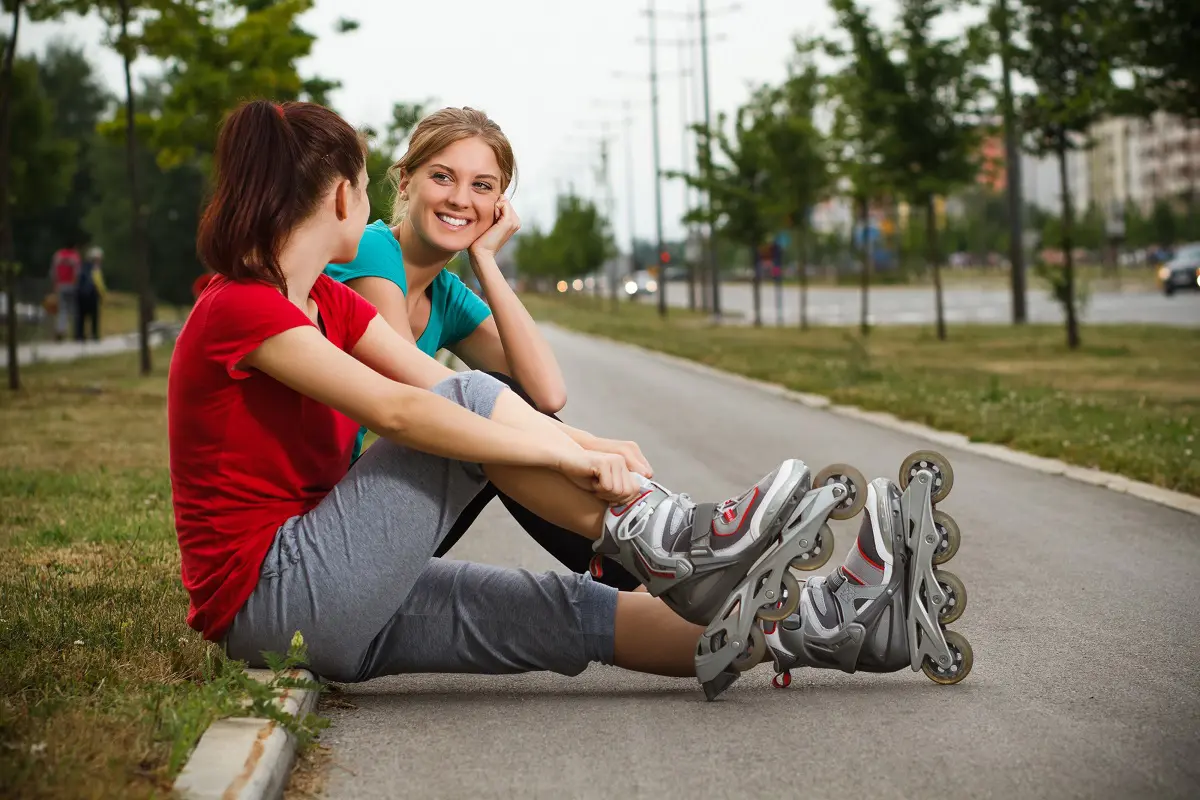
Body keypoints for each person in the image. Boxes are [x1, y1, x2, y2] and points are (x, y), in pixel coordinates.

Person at [168, 99, 869, 701]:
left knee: (572, 608)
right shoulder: (242, 308)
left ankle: (835, 626)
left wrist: (590, 447)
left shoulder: (324, 301)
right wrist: (565, 453)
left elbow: (445, 386)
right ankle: (676, 544)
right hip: (275, 597)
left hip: (335, 596)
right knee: (475, 401)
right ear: (345, 195)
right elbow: (401, 412)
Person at [324, 107, 642, 592]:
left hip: (362, 523)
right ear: (405, 181)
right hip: (324, 534)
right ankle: (648, 565)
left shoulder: (444, 295)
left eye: (482, 186)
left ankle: (649, 565)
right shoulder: (371, 254)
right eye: (443, 176)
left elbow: (545, 392)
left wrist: (486, 261)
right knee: (483, 409)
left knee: (502, 398)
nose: (459, 198)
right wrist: (589, 450)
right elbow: (421, 401)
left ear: (500, 204)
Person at [49, 241, 82, 341]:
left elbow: (53, 271)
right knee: (74, 309)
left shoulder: (58, 255)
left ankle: (61, 330)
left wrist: (55, 283)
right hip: (72, 285)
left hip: (61, 285)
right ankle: (76, 332)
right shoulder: (75, 256)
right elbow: (78, 272)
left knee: (62, 310)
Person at [75, 246, 107, 341]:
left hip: (80, 295)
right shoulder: (96, 268)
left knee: (81, 316)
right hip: (92, 295)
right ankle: (94, 334)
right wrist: (102, 294)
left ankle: (79, 335)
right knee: (94, 316)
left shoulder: (82, 267)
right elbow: (98, 282)